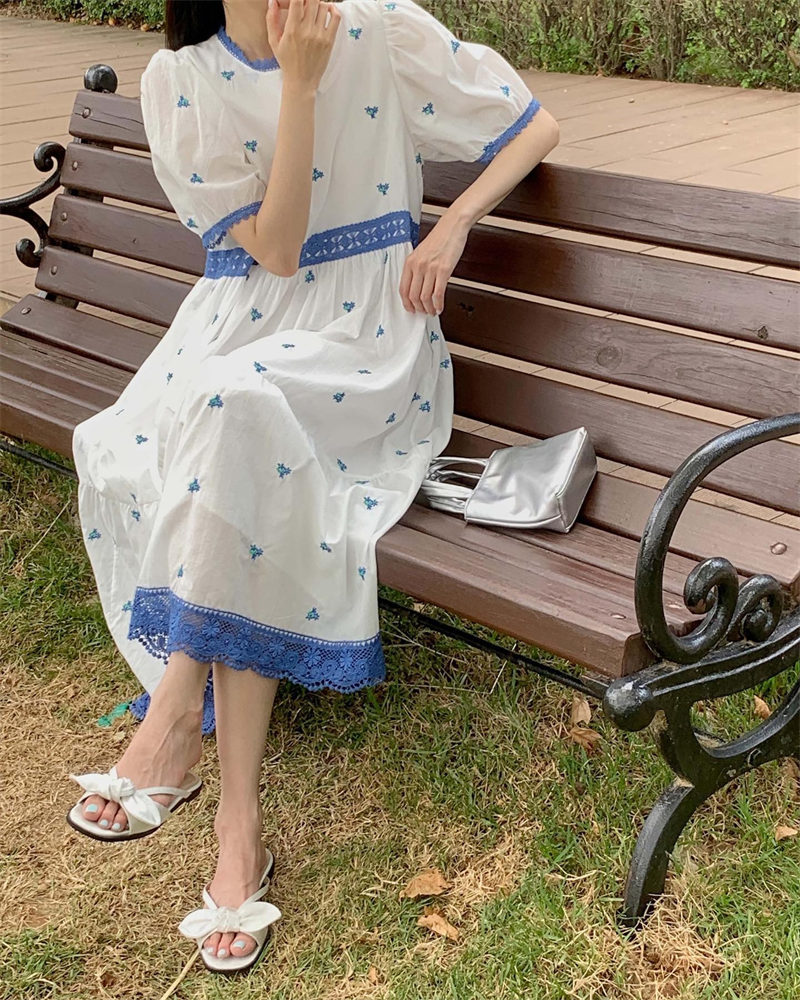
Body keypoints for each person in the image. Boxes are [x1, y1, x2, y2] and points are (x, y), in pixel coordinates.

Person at [66, 0, 560, 974]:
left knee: (238, 417)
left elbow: (533, 123)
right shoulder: (182, 81)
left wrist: (453, 224)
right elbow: (280, 249)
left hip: (364, 345)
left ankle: (174, 720)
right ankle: (236, 832)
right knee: (240, 431)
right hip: (238, 333)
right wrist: (296, 86)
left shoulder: (380, 30)